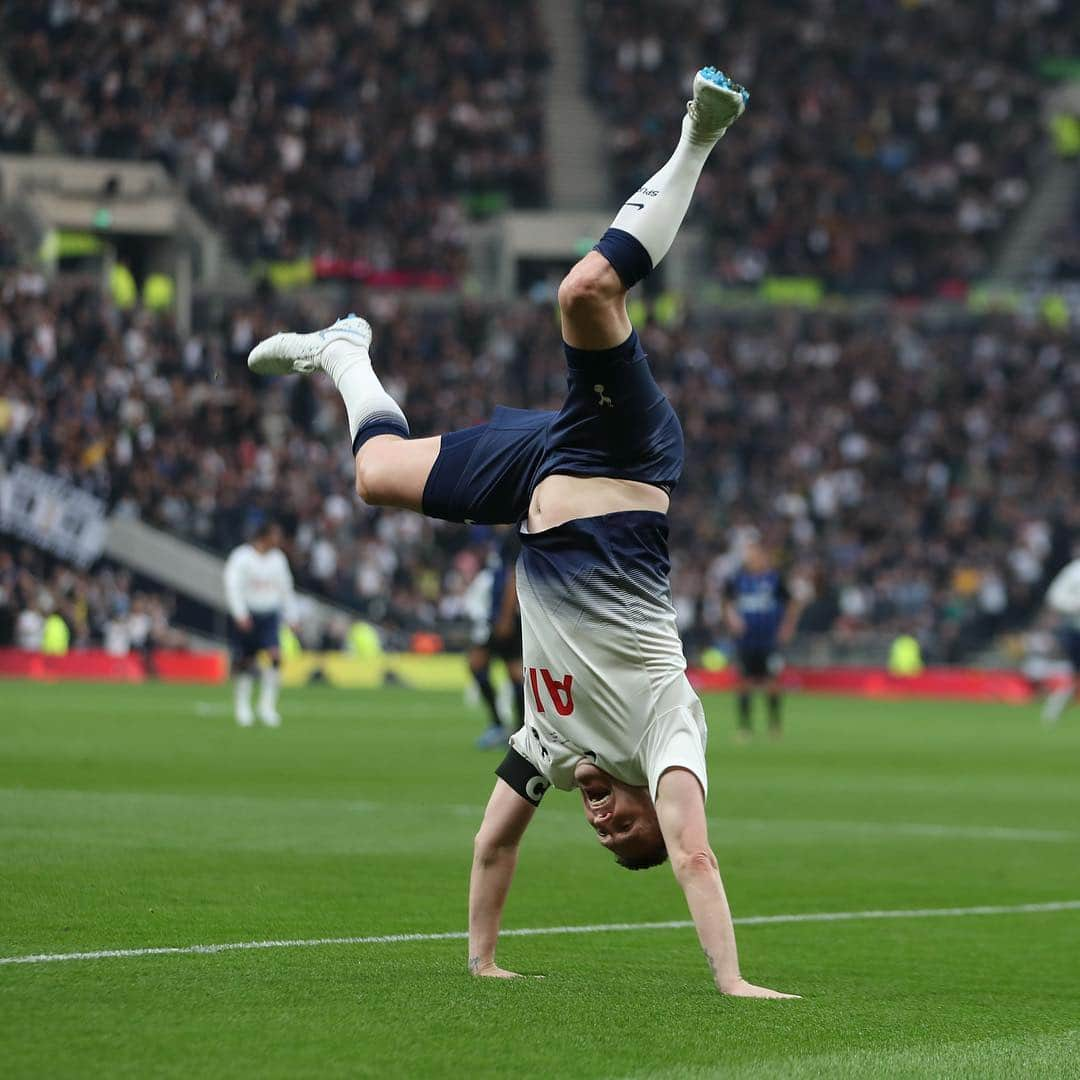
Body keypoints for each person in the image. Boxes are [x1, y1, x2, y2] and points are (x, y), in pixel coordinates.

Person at [249, 68, 796, 998]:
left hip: (536, 483)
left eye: (604, 840)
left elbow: (492, 841)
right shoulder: (669, 732)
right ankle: (701, 133)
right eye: (628, 830)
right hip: (622, 459)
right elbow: (698, 861)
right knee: (586, 292)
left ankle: (344, 348)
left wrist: (482, 960)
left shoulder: (550, 733)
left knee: (376, 475)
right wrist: (732, 983)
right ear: (655, 807)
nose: (602, 825)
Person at [723, 538, 804, 740]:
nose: (753, 559)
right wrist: (732, 619)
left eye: (757, 555)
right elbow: (726, 602)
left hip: (769, 640)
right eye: (750, 555)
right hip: (745, 640)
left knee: (772, 681)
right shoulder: (738, 579)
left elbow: (793, 603)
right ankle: (745, 727)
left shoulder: (775, 580)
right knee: (743, 682)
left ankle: (774, 725)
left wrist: (787, 627)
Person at [223, 520, 297, 728]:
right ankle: (243, 707)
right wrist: (240, 613)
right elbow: (232, 586)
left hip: (269, 615)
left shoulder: (278, 560)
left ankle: (267, 707)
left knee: (275, 656)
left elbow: (285, 588)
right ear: (264, 536)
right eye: (275, 535)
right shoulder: (242, 557)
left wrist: (292, 616)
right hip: (248, 615)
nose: (279, 540)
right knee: (246, 662)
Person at [468, 528, 525, 750]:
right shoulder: (499, 537)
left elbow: (514, 576)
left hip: (505, 617)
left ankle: (516, 728)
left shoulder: (513, 536)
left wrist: (505, 616)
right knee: (481, 666)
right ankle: (505, 726)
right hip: (495, 616)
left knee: (512, 672)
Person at [1043, 555, 1080, 723]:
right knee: (1076, 674)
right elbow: (1055, 597)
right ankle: (1056, 704)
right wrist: (1075, 604)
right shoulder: (1074, 571)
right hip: (1075, 630)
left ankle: (1056, 704)